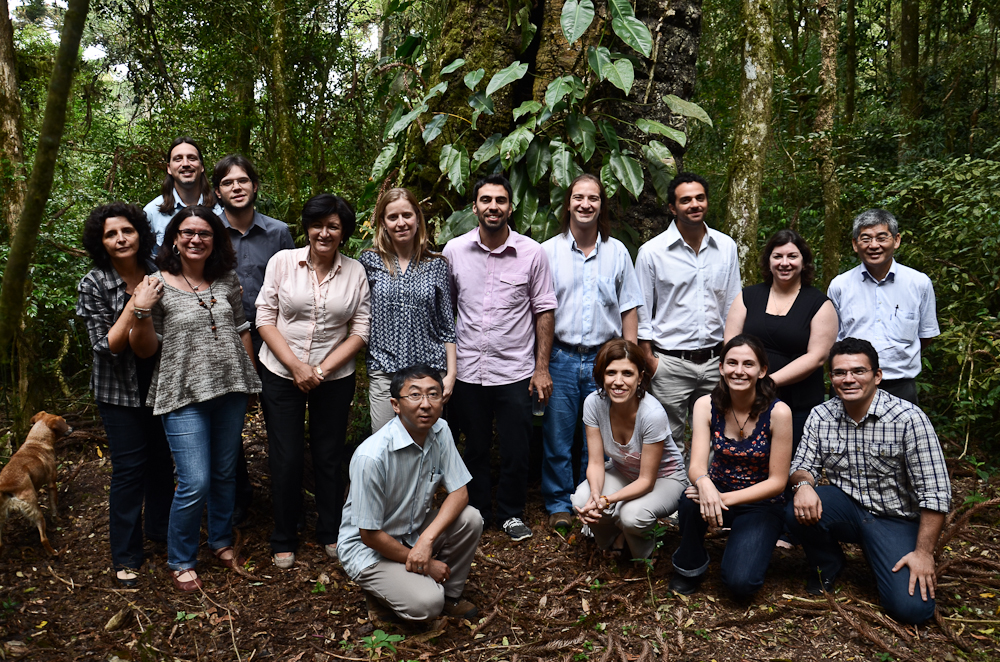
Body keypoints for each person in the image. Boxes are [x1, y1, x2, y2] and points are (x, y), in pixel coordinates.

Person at [128, 206, 262, 592]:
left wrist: (249, 380)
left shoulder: (225, 279)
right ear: (174, 238)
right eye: (188, 232)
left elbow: (241, 330)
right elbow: (144, 349)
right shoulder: (155, 284)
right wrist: (140, 311)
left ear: (215, 240)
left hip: (230, 389)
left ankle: (220, 541)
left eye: (205, 233)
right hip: (182, 391)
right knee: (194, 480)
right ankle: (181, 558)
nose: (195, 239)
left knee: (224, 474)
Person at [786, 338, 951, 624]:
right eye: (839, 373)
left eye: (858, 371)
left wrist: (924, 553)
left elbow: (936, 492)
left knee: (913, 610)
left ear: (877, 376)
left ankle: (886, 554)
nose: (848, 379)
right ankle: (828, 562)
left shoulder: (908, 419)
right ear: (832, 378)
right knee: (793, 508)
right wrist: (802, 485)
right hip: (847, 509)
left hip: (896, 519)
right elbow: (802, 466)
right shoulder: (821, 415)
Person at [255, 194, 370, 569]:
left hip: (334, 377)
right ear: (307, 227)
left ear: (343, 233)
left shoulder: (355, 271)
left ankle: (331, 531)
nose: (324, 232)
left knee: (328, 454)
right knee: (286, 457)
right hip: (279, 371)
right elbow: (265, 317)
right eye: (318, 224)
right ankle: (284, 535)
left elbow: (360, 330)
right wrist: (296, 367)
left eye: (333, 226)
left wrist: (320, 371)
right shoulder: (283, 262)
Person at [443, 173, 557, 542]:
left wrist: (541, 369)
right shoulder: (454, 251)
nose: (494, 207)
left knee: (516, 448)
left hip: (514, 370)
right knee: (473, 446)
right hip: (468, 371)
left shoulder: (532, 253)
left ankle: (510, 513)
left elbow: (543, 310)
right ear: (474, 206)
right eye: (486, 200)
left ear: (511, 206)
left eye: (501, 200)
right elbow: (447, 312)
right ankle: (476, 510)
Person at [76, 203, 174, 587]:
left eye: (127, 231)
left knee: (162, 464)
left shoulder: (158, 272)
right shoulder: (95, 282)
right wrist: (138, 305)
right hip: (117, 391)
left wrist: (147, 308)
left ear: (140, 233)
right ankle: (126, 554)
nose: (120, 239)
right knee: (130, 470)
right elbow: (109, 345)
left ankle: (161, 532)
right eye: (111, 234)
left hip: (160, 383)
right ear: (101, 242)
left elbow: (162, 336)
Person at [338, 365, 482, 623]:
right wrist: (427, 565)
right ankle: (380, 590)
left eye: (433, 394)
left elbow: (460, 493)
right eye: (415, 395)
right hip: (368, 548)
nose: (425, 404)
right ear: (395, 404)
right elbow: (369, 535)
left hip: (411, 531)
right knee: (427, 605)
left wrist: (426, 542)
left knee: (470, 518)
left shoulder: (441, 431)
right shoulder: (372, 457)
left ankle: (450, 595)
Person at [541, 174, 643, 532]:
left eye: (594, 198)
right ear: (568, 203)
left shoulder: (617, 252)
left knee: (597, 438)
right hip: (562, 357)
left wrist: (629, 360)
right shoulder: (548, 251)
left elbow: (629, 307)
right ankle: (558, 504)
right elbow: (539, 310)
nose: (586, 204)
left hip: (606, 361)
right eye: (579, 197)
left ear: (602, 206)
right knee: (557, 435)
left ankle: (593, 502)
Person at [669, 335, 793, 596]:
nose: (739, 371)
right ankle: (689, 565)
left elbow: (777, 482)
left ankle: (752, 541)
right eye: (732, 363)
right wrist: (704, 485)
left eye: (748, 364)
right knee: (689, 499)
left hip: (760, 504)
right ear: (721, 368)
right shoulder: (706, 405)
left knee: (741, 585)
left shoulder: (778, 412)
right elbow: (697, 466)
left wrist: (720, 498)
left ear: (762, 371)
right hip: (717, 491)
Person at [212, 154, 295, 525]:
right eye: (228, 183)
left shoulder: (278, 232)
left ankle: (285, 502)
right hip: (223, 341)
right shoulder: (206, 230)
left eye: (242, 181)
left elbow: (294, 283)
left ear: (255, 185)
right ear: (217, 191)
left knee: (280, 424)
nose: (236, 188)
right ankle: (238, 501)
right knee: (228, 425)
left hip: (273, 339)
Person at [635, 172, 741, 456]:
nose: (694, 204)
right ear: (673, 208)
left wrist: (731, 357)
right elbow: (641, 311)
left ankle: (707, 496)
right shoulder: (651, 252)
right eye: (685, 200)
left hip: (715, 360)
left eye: (700, 198)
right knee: (668, 441)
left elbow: (734, 305)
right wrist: (649, 360)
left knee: (719, 435)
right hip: (669, 364)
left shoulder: (726, 247)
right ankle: (674, 499)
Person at [572, 339, 686, 560]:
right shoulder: (593, 404)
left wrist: (608, 500)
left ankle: (645, 556)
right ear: (601, 376)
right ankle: (613, 539)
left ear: (640, 377)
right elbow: (595, 463)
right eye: (611, 372)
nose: (618, 381)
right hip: (623, 471)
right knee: (581, 499)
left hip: (665, 478)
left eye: (627, 373)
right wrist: (596, 496)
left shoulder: (651, 413)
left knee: (632, 516)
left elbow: (646, 481)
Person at [724, 229, 838, 447]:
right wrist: (747, 381)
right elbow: (731, 343)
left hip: (798, 402)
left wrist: (766, 382)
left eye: (792, 256)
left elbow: (817, 357)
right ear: (768, 261)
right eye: (778, 256)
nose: (784, 263)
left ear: (804, 262)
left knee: (789, 467)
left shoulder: (820, 304)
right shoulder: (748, 296)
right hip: (747, 398)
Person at [360, 188, 457, 433]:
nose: (401, 223)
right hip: (385, 370)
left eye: (407, 215)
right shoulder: (369, 262)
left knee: (426, 448)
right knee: (384, 445)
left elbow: (447, 325)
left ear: (417, 218)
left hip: (428, 374)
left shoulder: (436, 264)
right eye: (393, 217)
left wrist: (451, 375)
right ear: (383, 223)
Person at [827, 209, 939, 404]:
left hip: (900, 386)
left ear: (896, 240)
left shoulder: (919, 283)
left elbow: (925, 335)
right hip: (849, 385)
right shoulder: (840, 286)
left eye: (881, 238)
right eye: (866, 239)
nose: (874, 245)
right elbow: (830, 338)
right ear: (855, 244)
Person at [143, 137, 222, 246]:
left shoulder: (220, 209)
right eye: (178, 159)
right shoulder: (152, 212)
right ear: (169, 168)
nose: (185, 164)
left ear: (202, 166)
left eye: (192, 158)